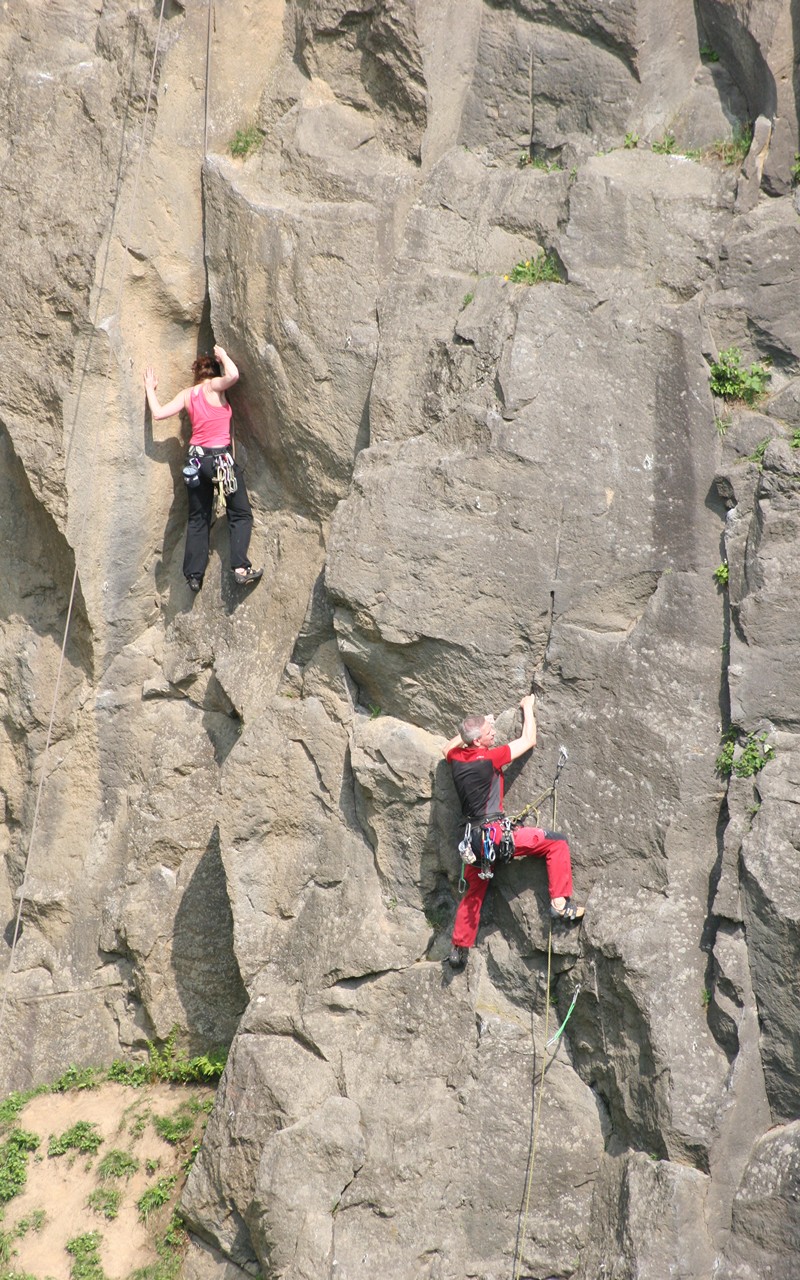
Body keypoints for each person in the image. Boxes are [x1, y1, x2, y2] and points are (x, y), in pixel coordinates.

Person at [443, 694, 584, 969]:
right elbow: (529, 740)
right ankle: (559, 902)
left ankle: (459, 949)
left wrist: (482, 723)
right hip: (494, 836)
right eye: (488, 732)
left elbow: (448, 746)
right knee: (556, 843)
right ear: (476, 742)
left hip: (472, 842)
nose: (493, 732)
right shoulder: (489, 758)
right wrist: (528, 708)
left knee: (473, 892)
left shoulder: (456, 758)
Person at [144, 345, 262, 592]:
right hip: (220, 461)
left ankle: (194, 576)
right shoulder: (213, 386)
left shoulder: (188, 394)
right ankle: (240, 568)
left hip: (195, 463)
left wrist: (149, 390)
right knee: (240, 513)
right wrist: (225, 355)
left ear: (196, 374)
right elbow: (234, 376)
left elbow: (158, 414)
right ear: (213, 373)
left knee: (198, 517)